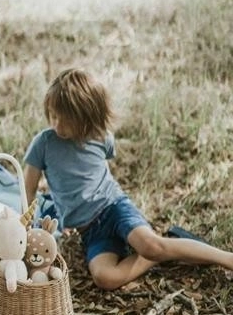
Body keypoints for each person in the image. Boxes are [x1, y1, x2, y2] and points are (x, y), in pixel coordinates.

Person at [23, 68, 233, 290]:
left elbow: (99, 170)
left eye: (66, 120)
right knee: (105, 278)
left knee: (150, 245)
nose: (57, 125)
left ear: (86, 116)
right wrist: (29, 225)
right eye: (53, 115)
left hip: (114, 208)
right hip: (90, 231)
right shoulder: (44, 143)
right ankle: (158, 254)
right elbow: (28, 189)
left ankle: (225, 258)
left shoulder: (100, 137)